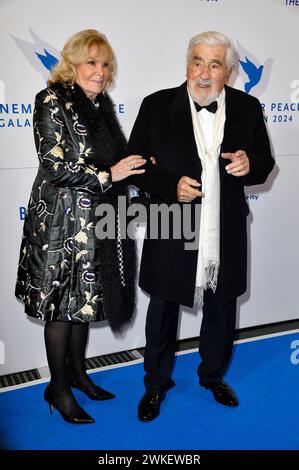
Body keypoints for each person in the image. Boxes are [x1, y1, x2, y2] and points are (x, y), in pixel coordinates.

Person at [127, 31, 275, 422]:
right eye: (197, 61)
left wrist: (250, 166)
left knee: (221, 306)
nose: (204, 73)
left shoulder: (247, 107)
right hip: (172, 224)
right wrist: (168, 186)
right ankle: (155, 385)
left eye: (214, 64)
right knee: (162, 307)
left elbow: (264, 160)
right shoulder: (156, 106)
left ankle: (212, 377)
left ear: (228, 71)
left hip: (224, 226)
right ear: (186, 63)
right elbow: (135, 165)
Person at [15, 29, 145, 424]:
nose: (101, 71)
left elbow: (115, 161)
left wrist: (139, 170)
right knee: (60, 306)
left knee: (82, 304)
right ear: (71, 63)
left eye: (106, 64)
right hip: (58, 223)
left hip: (94, 224)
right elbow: (55, 167)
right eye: (92, 62)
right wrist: (110, 175)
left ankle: (77, 374)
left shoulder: (100, 105)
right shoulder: (50, 99)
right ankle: (57, 387)